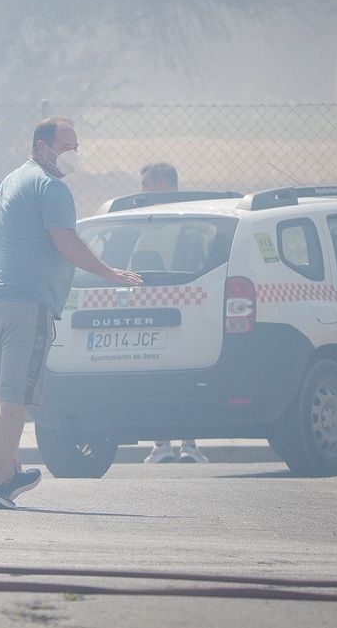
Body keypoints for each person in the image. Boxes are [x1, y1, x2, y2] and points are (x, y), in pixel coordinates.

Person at [0, 117, 142, 509]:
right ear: (41, 147)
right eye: (66, 146)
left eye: (76, 146)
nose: (73, 154)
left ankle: (6, 472)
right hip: (26, 302)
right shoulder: (51, 187)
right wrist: (108, 272)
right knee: (15, 398)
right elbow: (66, 241)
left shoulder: (11, 180)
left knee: (2, 395)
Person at [139, 162, 208, 465]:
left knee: (158, 381)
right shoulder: (196, 219)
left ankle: (165, 444)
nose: (142, 191)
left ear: (163, 186)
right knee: (184, 382)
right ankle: (186, 445)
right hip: (189, 306)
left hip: (156, 306)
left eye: (146, 185)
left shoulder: (154, 222)